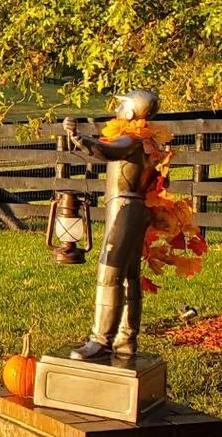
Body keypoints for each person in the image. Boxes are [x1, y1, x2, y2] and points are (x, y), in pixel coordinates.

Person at [61, 89, 162, 362]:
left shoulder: (132, 138)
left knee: (109, 271)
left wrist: (84, 141)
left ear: (130, 112)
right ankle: (126, 340)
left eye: (123, 105)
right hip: (134, 208)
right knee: (129, 275)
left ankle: (100, 341)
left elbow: (111, 150)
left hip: (126, 208)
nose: (118, 109)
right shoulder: (146, 139)